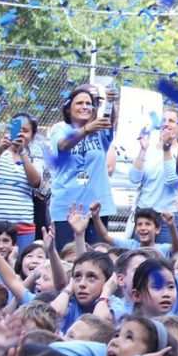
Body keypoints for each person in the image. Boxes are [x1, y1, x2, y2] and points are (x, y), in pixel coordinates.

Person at [48, 86, 117, 251]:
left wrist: (111, 102)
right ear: (68, 108)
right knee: (69, 257)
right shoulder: (60, 128)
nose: (85, 106)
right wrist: (86, 130)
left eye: (88, 103)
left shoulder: (100, 131)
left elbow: (109, 120)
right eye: (79, 103)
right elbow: (63, 145)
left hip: (97, 207)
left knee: (97, 258)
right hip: (67, 208)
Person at [0, 112, 44, 249]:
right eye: (16, 129)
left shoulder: (34, 157)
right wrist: (0, 150)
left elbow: (35, 182)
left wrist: (22, 152)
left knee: (19, 266)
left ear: (32, 137)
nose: (20, 133)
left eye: (25, 131)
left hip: (22, 226)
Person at [130, 108, 178, 244]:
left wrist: (166, 149)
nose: (166, 124)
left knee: (168, 260)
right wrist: (143, 150)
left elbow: (171, 181)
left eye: (171, 121)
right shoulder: (150, 149)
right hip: (145, 214)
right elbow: (134, 179)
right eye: (163, 120)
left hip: (168, 216)